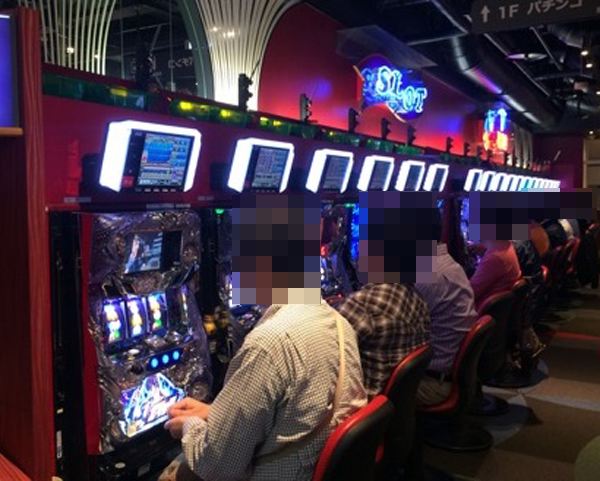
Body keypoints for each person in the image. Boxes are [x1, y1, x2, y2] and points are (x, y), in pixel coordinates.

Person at [160, 194, 367, 481]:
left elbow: (217, 467)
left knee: (174, 472)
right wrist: (214, 414)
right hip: (319, 468)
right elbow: (295, 415)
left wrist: (189, 425)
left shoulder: (269, 344)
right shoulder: (338, 323)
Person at [414, 211, 478, 405]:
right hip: (452, 374)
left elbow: (393, 331)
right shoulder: (448, 264)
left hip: (432, 383)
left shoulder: (426, 274)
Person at [470, 240, 521, 312]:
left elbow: (470, 293)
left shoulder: (494, 257)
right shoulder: (506, 245)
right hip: (499, 311)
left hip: (478, 311)